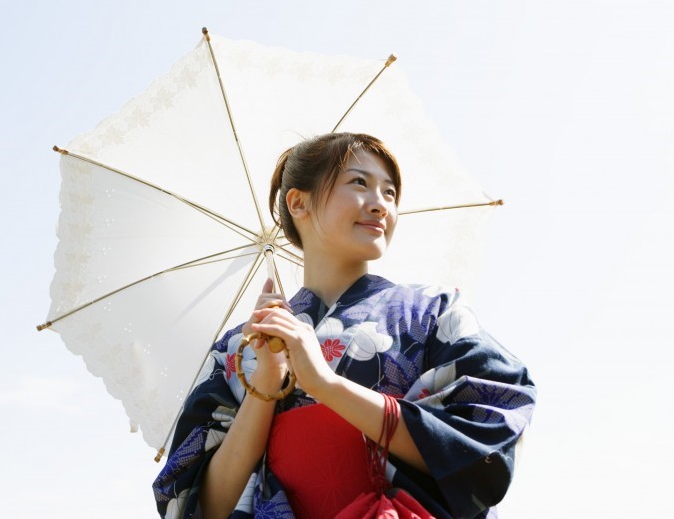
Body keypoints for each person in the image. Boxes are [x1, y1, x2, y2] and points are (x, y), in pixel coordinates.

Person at [153, 133, 536, 518]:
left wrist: (326, 384)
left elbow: (484, 437)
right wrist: (264, 386)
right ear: (299, 202)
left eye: (390, 193)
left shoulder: (433, 311)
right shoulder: (238, 348)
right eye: (359, 183)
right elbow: (202, 506)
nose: (380, 205)